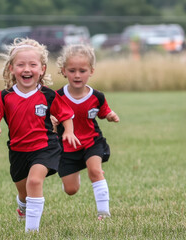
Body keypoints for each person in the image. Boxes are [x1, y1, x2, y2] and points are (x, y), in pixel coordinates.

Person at [0, 38, 80, 232]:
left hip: (45, 147)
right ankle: (22, 206)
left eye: (32, 65)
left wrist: (68, 131)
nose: (27, 69)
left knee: (34, 181)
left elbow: (66, 114)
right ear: (11, 68)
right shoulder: (5, 96)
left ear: (42, 69)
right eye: (21, 65)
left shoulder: (48, 95)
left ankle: (31, 231)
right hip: (18, 150)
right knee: (23, 190)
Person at [55, 44, 119, 220]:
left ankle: (103, 213)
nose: (77, 75)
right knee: (71, 190)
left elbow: (103, 111)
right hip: (67, 147)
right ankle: (76, 172)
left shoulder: (97, 96)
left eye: (82, 70)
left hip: (92, 142)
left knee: (95, 171)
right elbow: (49, 118)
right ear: (64, 71)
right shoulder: (57, 97)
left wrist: (111, 115)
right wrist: (52, 121)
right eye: (72, 70)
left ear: (91, 71)